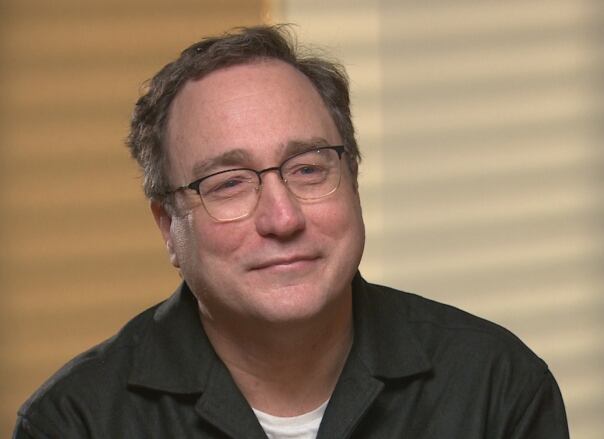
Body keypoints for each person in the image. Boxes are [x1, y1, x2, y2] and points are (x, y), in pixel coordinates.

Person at [14, 25, 569, 438]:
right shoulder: (75, 422)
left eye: (308, 169)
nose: (283, 219)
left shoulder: (495, 386)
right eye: (228, 184)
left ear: (352, 179)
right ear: (168, 228)